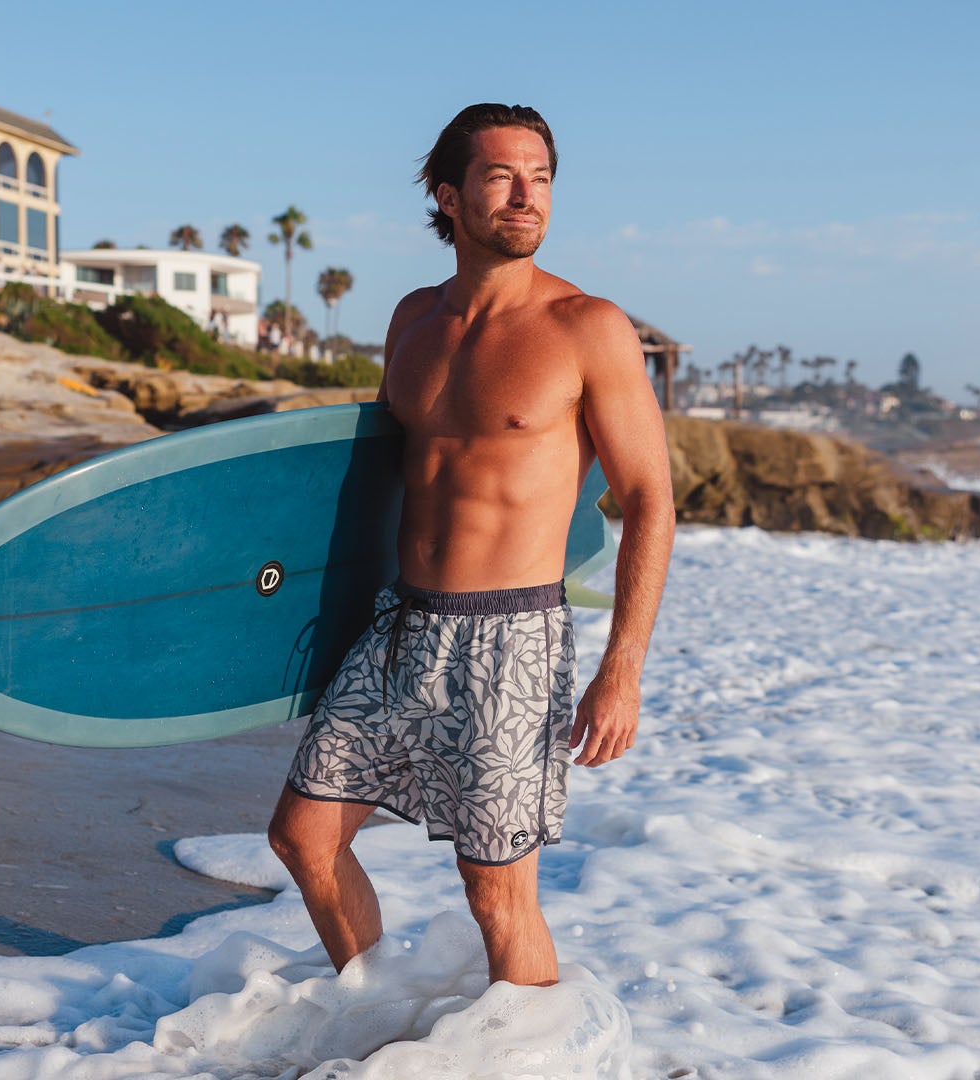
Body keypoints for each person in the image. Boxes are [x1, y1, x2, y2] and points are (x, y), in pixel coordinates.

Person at [266, 103, 674, 990]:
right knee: (303, 836)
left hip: (512, 636)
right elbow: (378, 485)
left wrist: (622, 670)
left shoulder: (588, 328)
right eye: (500, 177)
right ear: (449, 198)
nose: (527, 197)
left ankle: (533, 1057)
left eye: (541, 179)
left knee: (496, 894)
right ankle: (378, 1015)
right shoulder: (413, 320)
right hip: (400, 620)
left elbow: (649, 501)